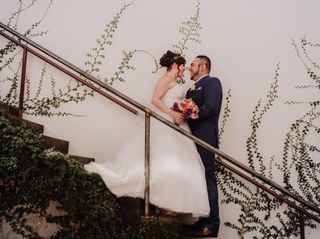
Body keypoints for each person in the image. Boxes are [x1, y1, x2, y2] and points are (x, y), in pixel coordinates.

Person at [84, 50, 210, 217]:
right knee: (164, 162)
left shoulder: (173, 81)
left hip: (176, 125)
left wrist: (183, 110)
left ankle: (169, 201)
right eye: (182, 66)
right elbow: (155, 99)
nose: (184, 69)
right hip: (165, 123)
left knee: (175, 163)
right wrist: (171, 113)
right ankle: (163, 201)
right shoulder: (165, 79)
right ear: (175, 65)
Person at [180, 55, 223, 237]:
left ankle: (212, 224)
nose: (190, 68)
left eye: (193, 65)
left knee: (207, 179)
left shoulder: (212, 82)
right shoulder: (190, 91)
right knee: (195, 178)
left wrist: (187, 115)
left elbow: (210, 107)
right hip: (190, 139)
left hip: (204, 139)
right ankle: (201, 220)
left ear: (203, 67)